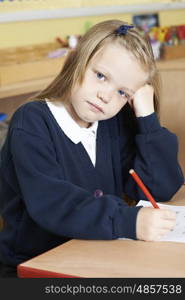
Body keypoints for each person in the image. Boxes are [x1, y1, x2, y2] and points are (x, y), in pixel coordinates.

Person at [0, 20, 184, 277]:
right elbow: (53, 202)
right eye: (100, 76)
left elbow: (159, 188)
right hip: (35, 265)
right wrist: (127, 221)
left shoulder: (109, 124)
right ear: (75, 61)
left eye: (122, 92)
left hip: (97, 253)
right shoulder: (31, 122)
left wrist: (147, 117)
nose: (106, 96)